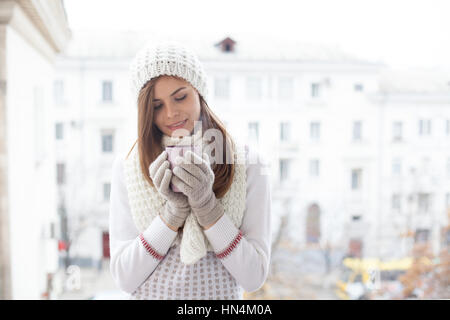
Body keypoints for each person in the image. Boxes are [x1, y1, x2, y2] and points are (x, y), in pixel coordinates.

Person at [108, 40, 272, 300]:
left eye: (180, 97)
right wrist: (172, 214)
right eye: (157, 105)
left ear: (199, 91)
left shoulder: (249, 163)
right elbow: (124, 278)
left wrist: (207, 207)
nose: (171, 113)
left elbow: (254, 276)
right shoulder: (129, 167)